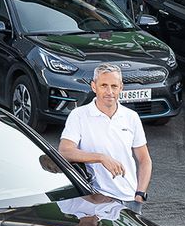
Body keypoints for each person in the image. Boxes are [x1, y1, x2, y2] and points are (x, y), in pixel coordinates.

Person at [55, 65, 152, 205]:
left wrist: (140, 194)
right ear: (94, 86)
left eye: (114, 86)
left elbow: (144, 160)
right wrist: (101, 158)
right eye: (104, 85)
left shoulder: (131, 117)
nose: (109, 92)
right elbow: (64, 151)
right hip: (94, 199)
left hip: (128, 199)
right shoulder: (79, 115)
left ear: (121, 87)